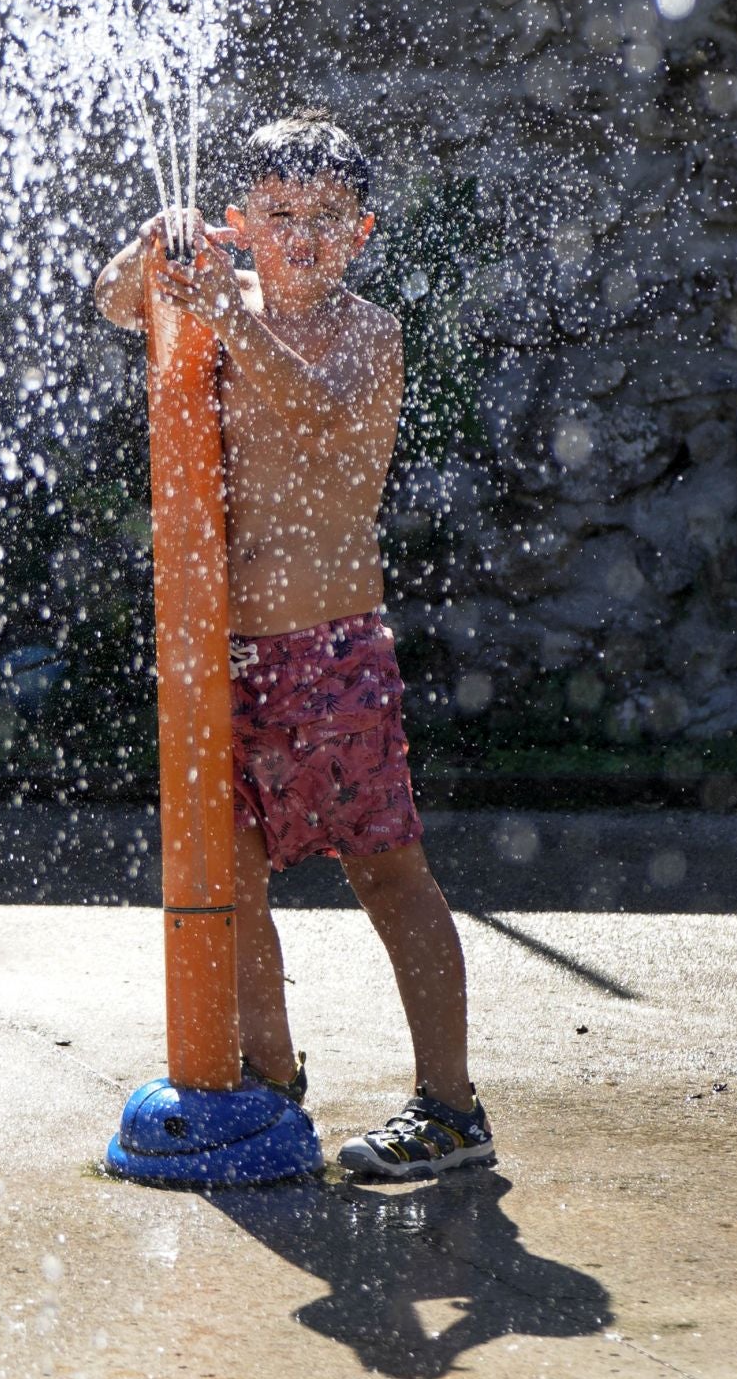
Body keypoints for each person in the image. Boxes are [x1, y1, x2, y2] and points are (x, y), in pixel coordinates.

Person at [93, 113, 494, 1180]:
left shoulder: (368, 335)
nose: (302, 237)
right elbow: (113, 305)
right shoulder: (215, 313)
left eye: (325, 220)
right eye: (278, 216)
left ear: (361, 232)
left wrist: (228, 313)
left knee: (383, 867)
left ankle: (448, 1105)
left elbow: (315, 416)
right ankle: (270, 1084)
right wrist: (148, 252)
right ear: (240, 224)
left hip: (330, 648)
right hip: (223, 659)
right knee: (228, 873)